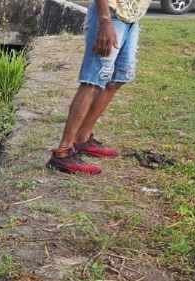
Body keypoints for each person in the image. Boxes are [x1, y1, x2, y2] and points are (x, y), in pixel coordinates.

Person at [47, 0, 149, 175]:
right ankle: (63, 152)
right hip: (110, 15)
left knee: (118, 78)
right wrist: (104, 21)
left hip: (132, 16)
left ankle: (82, 138)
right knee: (93, 81)